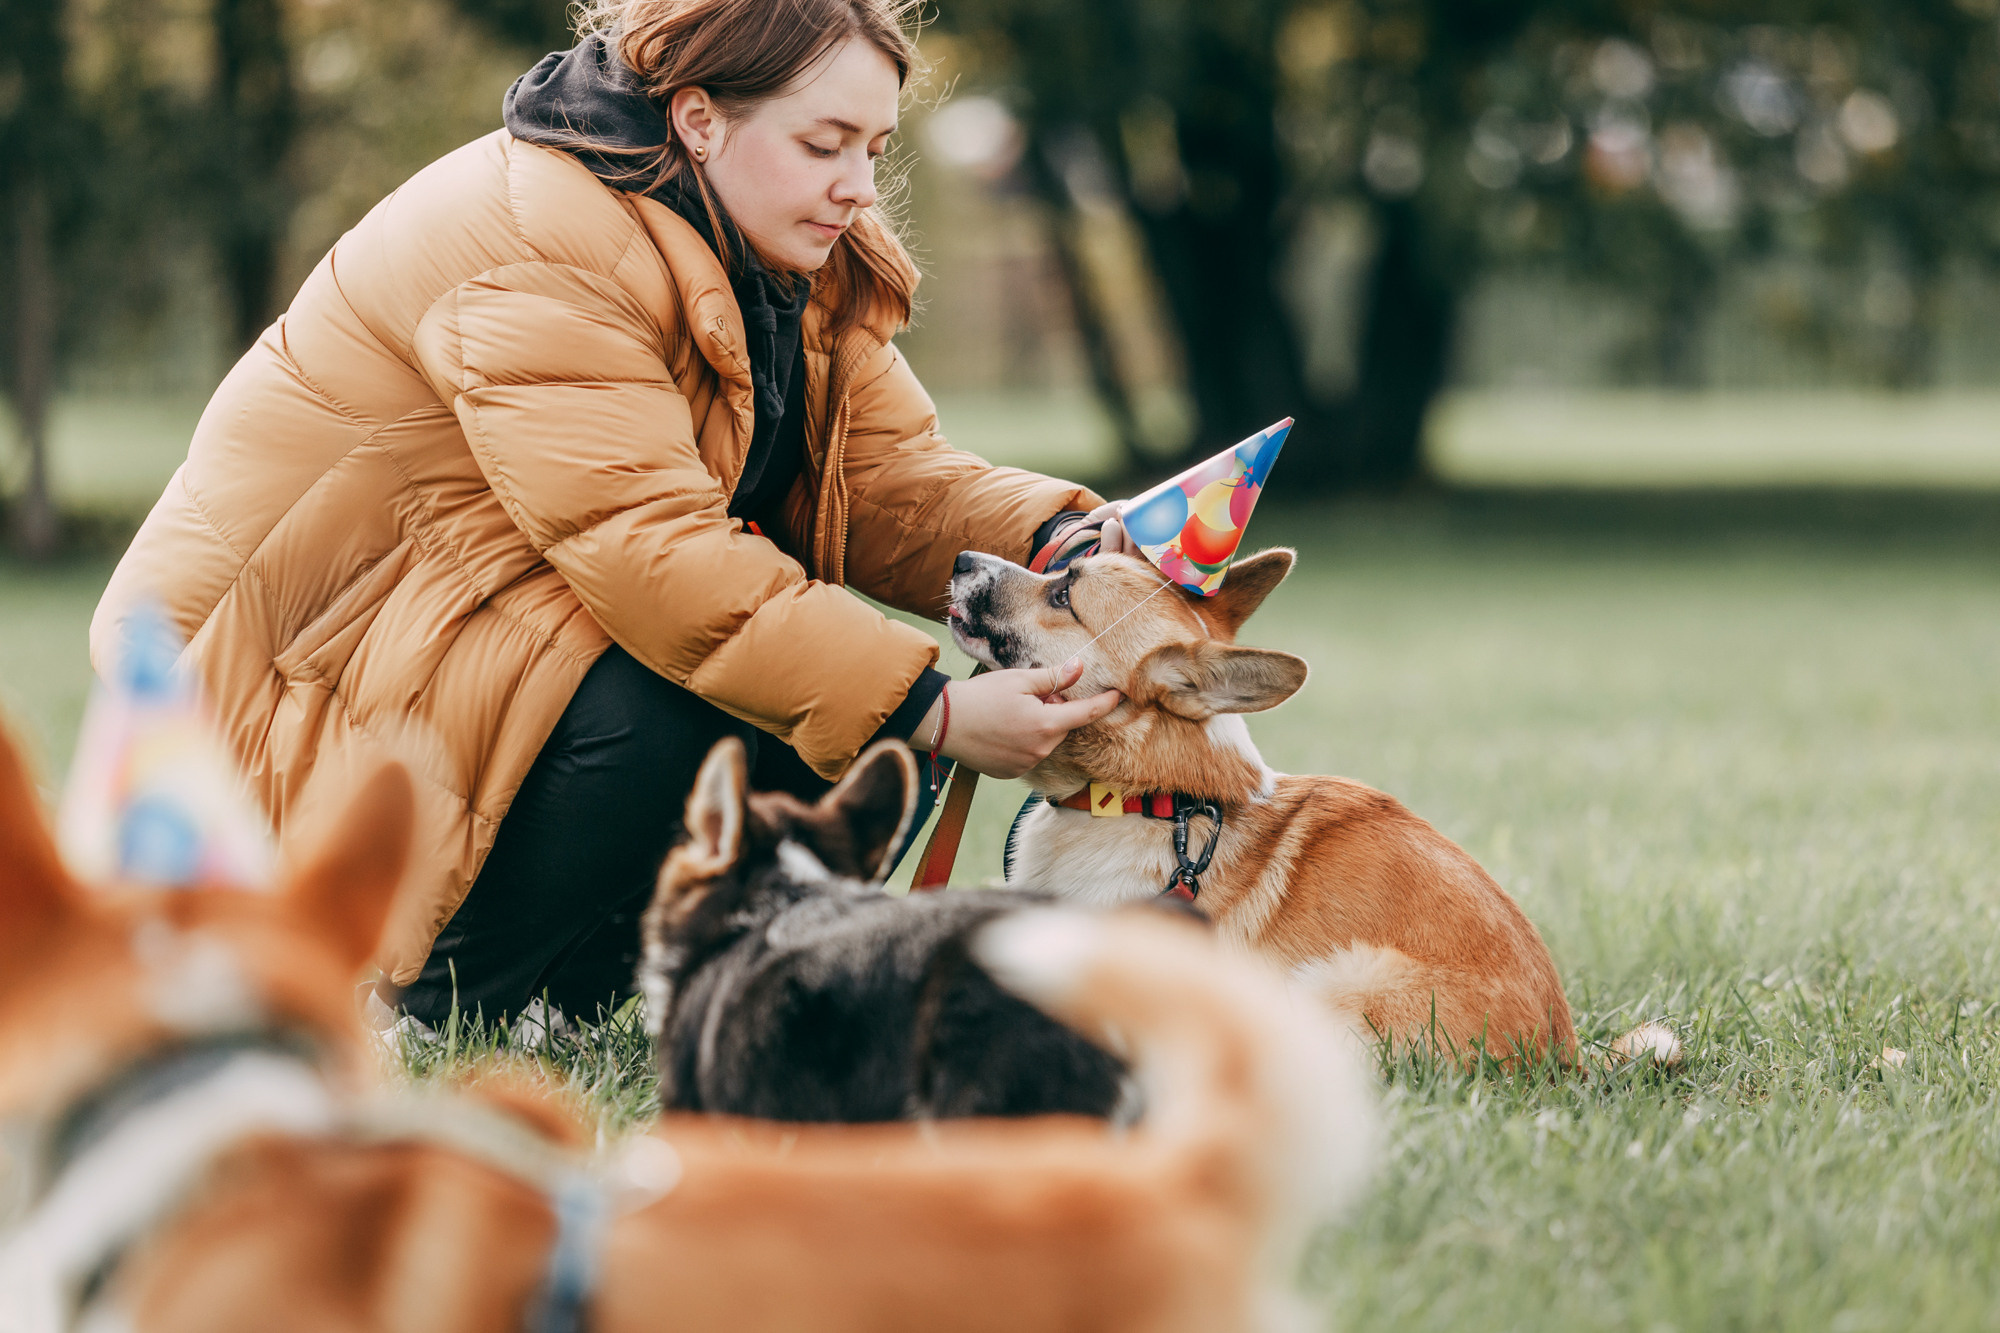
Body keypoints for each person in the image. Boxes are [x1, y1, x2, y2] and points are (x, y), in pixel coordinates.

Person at [92, 0, 1139, 1026]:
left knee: (863, 746)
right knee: (723, 714)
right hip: (275, 684)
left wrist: (1060, 542)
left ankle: (613, 992)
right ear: (698, 118)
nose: (858, 190)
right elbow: (652, 552)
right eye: (825, 144)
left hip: (470, 638)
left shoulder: (773, 242)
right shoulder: (536, 239)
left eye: (874, 148)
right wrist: (937, 711)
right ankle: (426, 994)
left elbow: (881, 476)